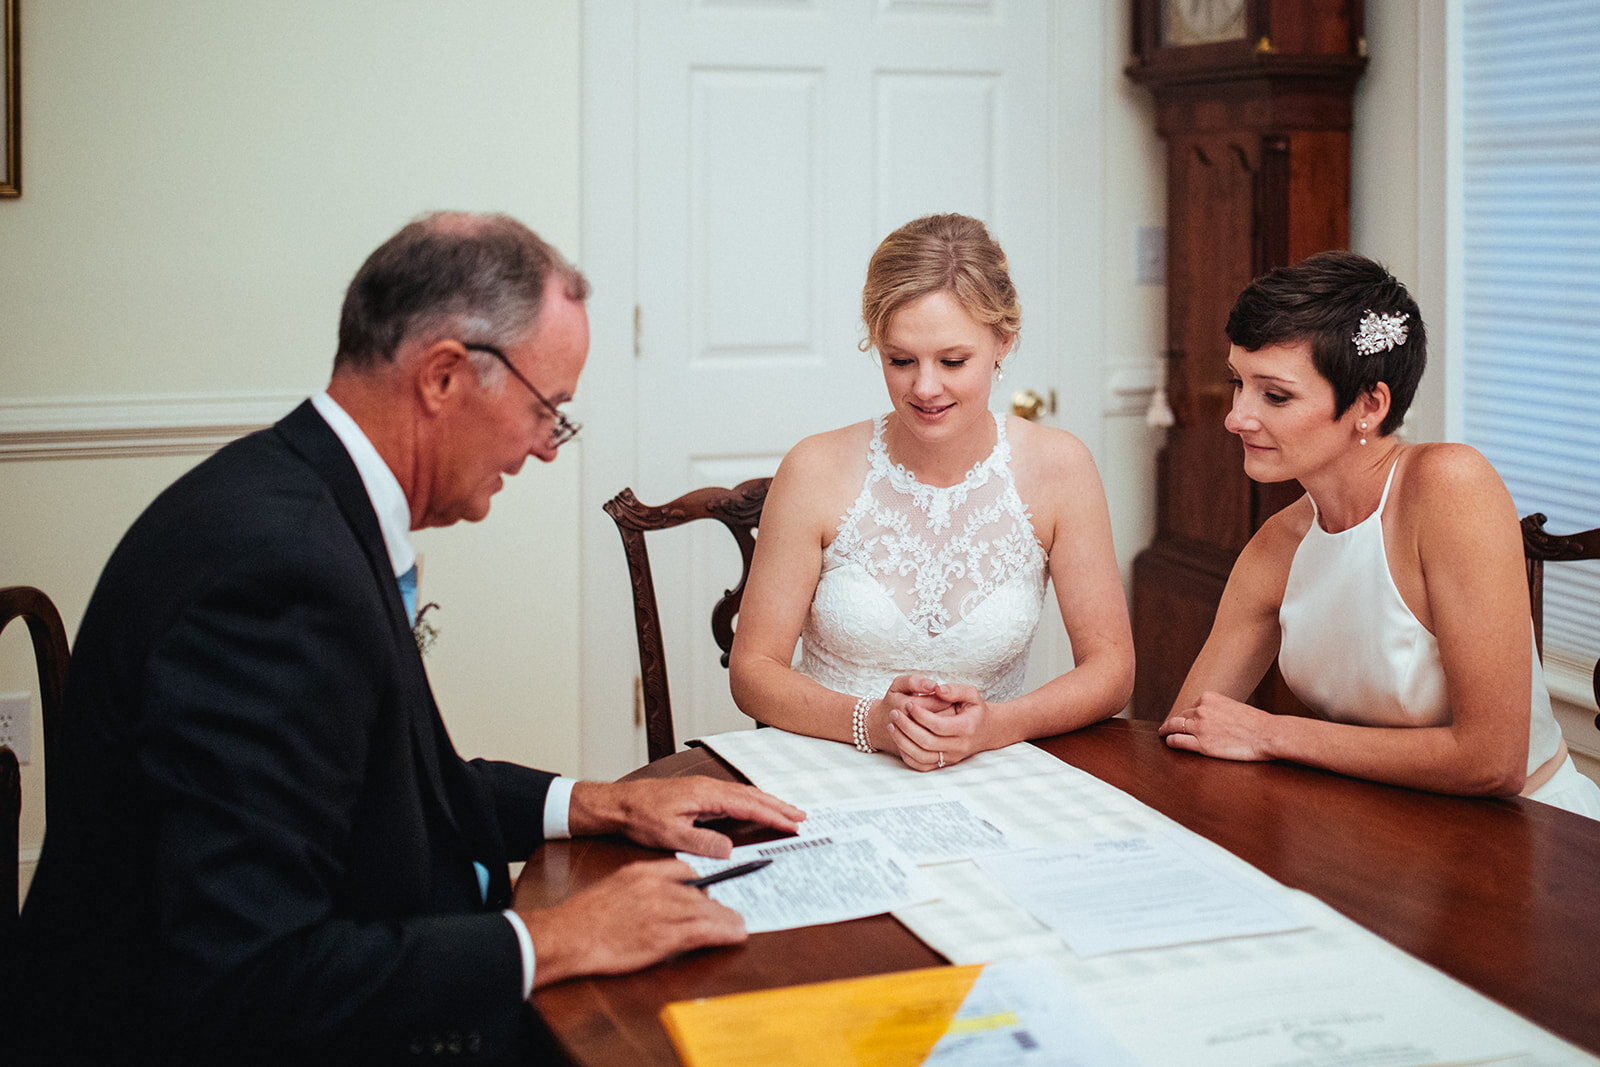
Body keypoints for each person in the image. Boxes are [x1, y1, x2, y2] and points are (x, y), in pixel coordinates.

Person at [8, 212, 805, 1063]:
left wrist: (595, 801)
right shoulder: (274, 576)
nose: (547, 449)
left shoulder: (302, 499)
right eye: (550, 410)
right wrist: (559, 939)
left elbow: (389, 785)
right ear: (444, 376)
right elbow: (251, 976)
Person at [1159, 250, 1600, 819]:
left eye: (1274, 395)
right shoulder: (1279, 543)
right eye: (1237, 384)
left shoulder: (1450, 486)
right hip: (1370, 828)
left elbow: (1494, 760)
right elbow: (1193, 728)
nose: (1236, 417)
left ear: (1370, 404)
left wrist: (1273, 735)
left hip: (1527, 832)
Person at [729, 213, 1134, 771]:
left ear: (1003, 342)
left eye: (952, 361)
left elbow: (1111, 669)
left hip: (990, 772)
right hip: (826, 766)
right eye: (900, 361)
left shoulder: (1061, 468)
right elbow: (753, 671)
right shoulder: (814, 469)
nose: (924, 387)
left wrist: (997, 725)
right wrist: (871, 723)